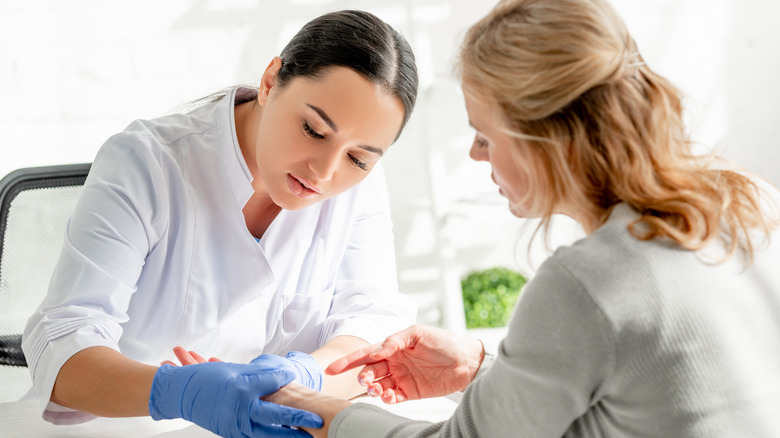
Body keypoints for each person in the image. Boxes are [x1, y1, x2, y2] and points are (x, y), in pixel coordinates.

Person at [256, 0, 780, 436]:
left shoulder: (587, 283)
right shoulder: (750, 203)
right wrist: (478, 363)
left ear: (543, 141)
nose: (476, 157)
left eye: (484, 136)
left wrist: (306, 405)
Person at [21, 9, 419, 437]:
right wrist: (175, 391)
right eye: (313, 130)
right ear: (270, 82)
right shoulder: (145, 164)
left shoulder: (358, 189)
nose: (324, 171)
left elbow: (373, 325)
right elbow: (64, 344)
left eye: (358, 158)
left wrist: (304, 376)